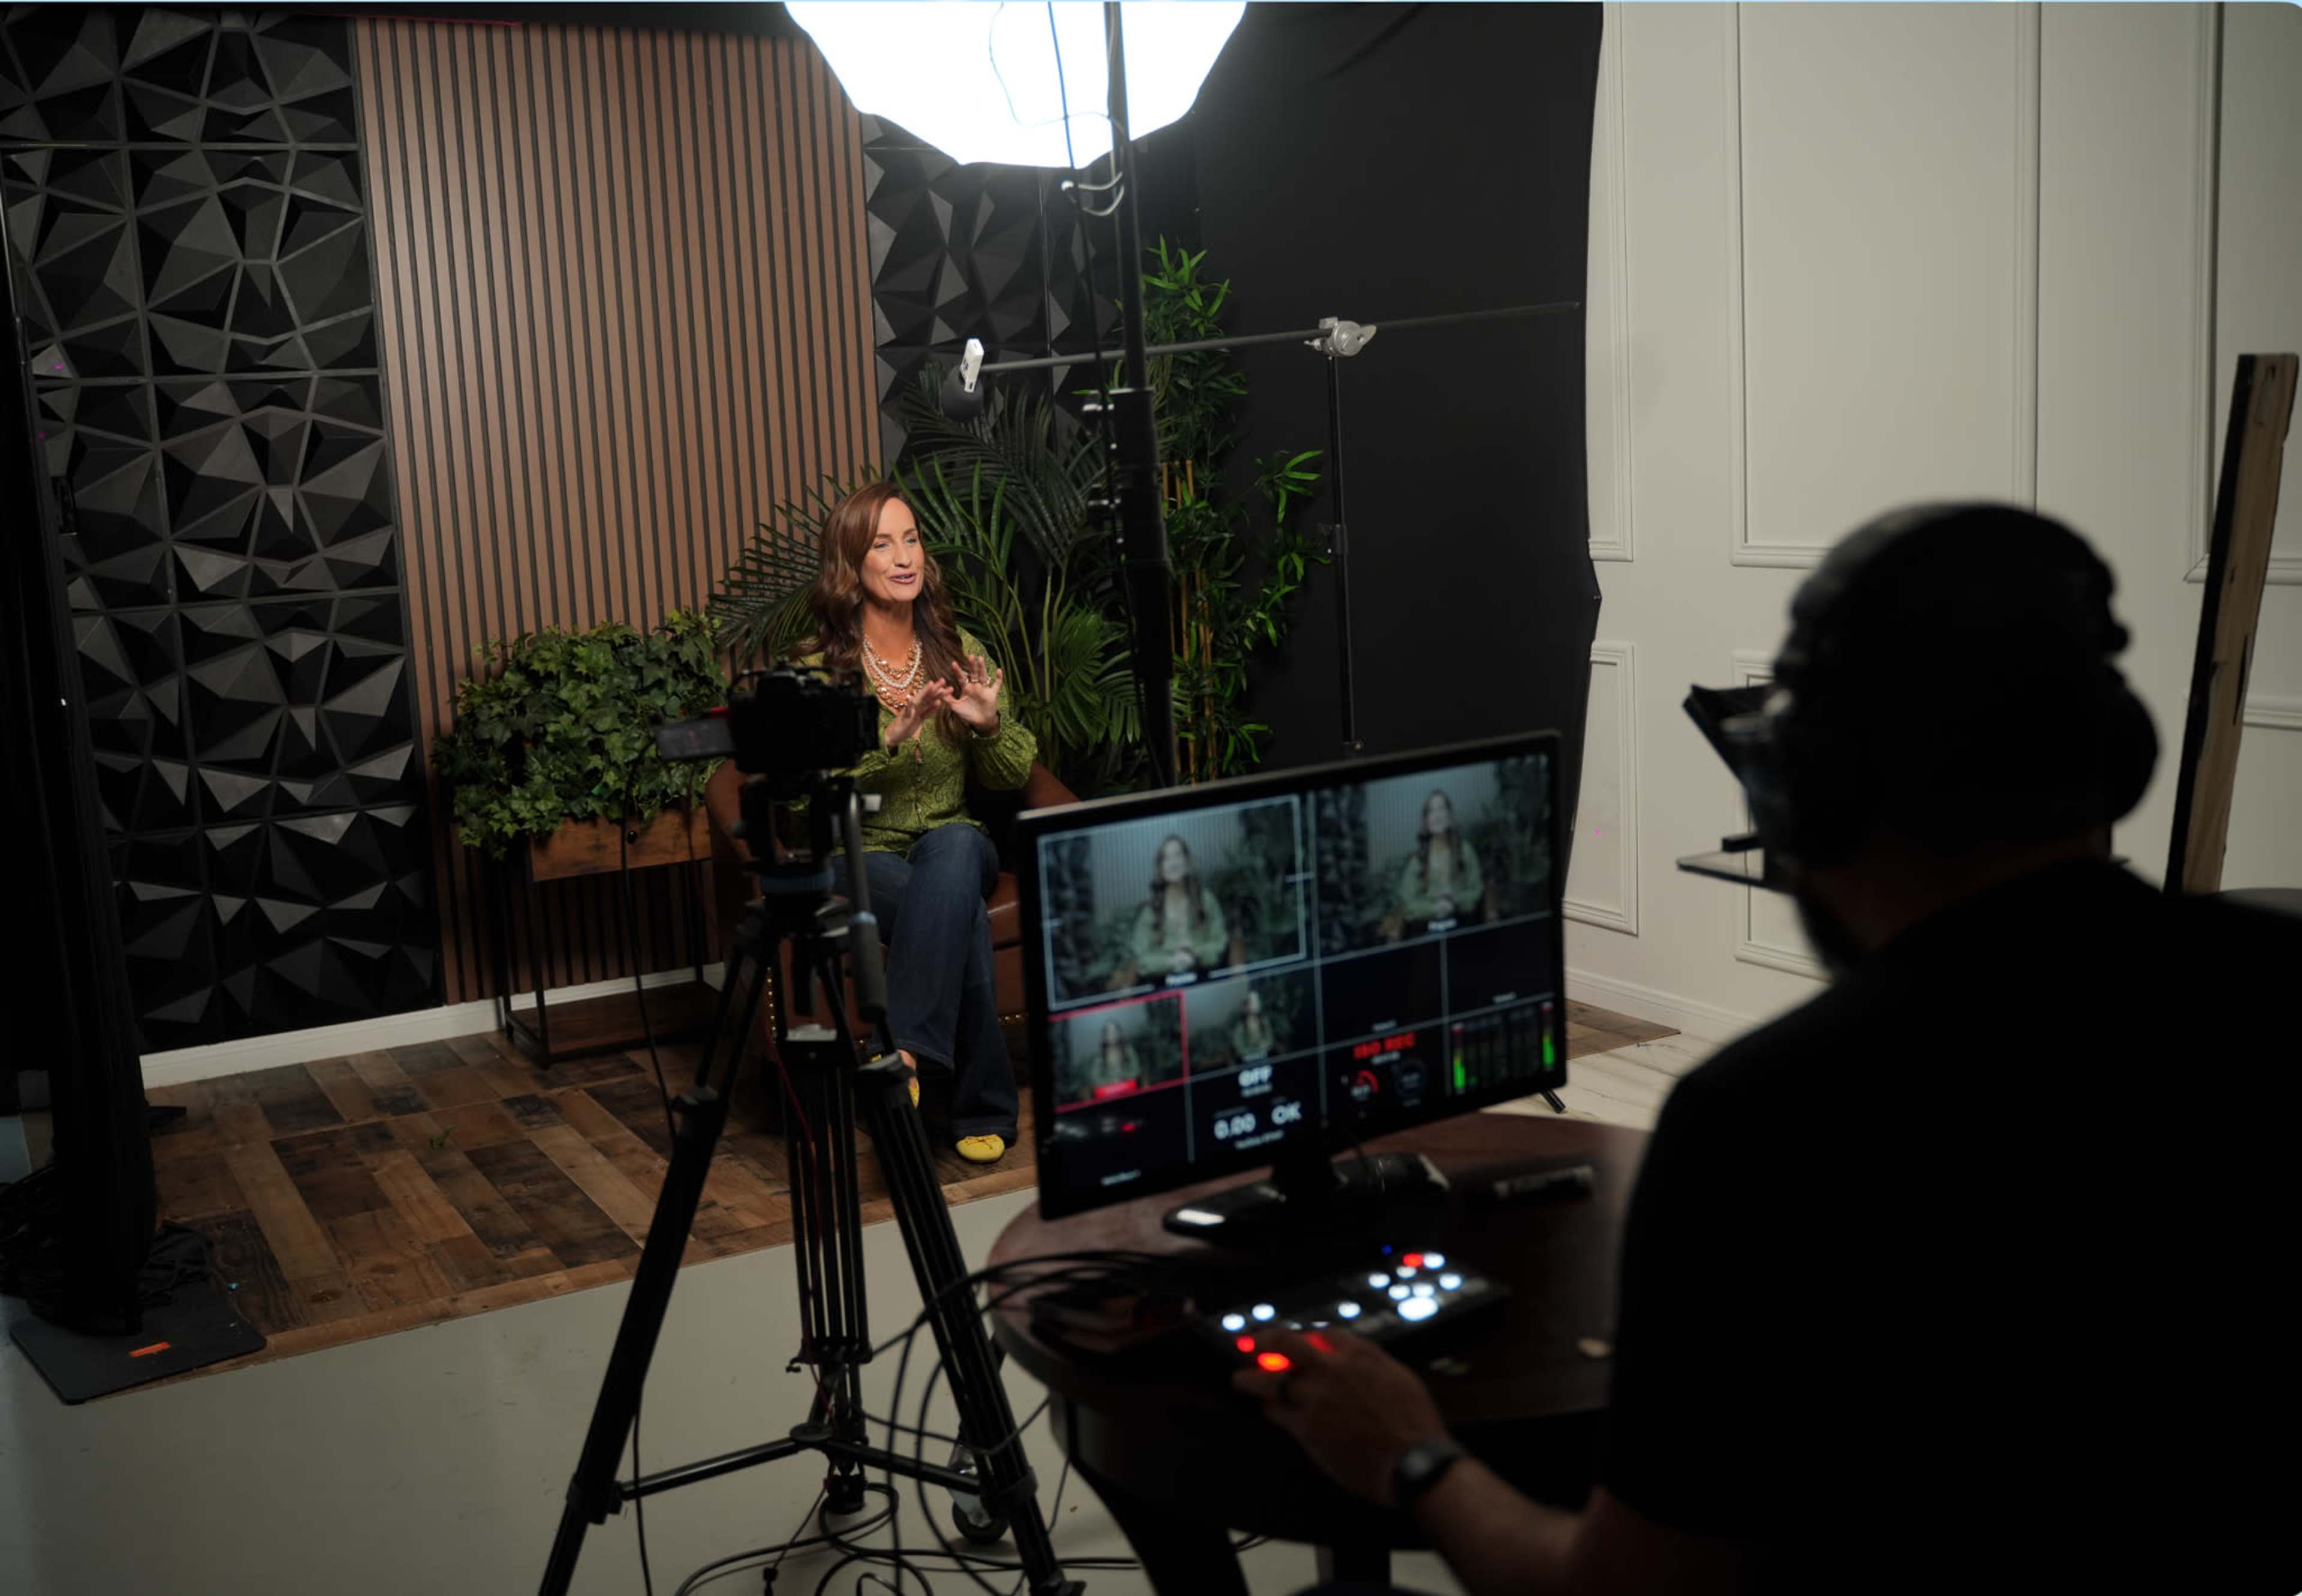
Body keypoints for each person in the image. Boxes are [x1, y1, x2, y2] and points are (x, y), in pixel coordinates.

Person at [1230, 503, 2301, 1595]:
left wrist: (1413, 1455)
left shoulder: (1766, 1120)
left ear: (1807, 790)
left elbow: (1621, 1590)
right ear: (2110, 758)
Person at [791, 481, 1032, 1165]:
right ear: (850, 564)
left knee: (955, 849)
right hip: (859, 853)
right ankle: (982, 1106)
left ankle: (895, 1054)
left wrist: (988, 726)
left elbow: (1011, 775)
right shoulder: (822, 671)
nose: (904, 556)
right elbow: (802, 802)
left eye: (912, 537)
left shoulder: (962, 652)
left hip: (953, 842)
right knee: (965, 916)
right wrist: (884, 742)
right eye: (882, 543)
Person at [1117, 834, 1230, 985]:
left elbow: (1220, 943)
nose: (1173, 863)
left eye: (1178, 855)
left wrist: (1195, 954)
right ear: (1160, 868)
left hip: (1205, 981)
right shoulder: (1149, 912)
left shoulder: (1206, 900)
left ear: (1187, 862)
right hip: (1163, 988)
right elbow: (1142, 959)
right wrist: (1170, 962)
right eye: (1167, 858)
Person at [1387, 788, 1484, 936]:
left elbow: (1476, 890)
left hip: (1463, 925)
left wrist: (1456, 899)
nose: (1437, 816)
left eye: (1441, 809)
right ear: (1426, 820)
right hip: (1425, 930)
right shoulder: (1417, 860)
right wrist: (1434, 908)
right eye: (1432, 811)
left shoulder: (1466, 851)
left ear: (1450, 815)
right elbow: (1408, 903)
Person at [1090, 1018, 1142, 1096]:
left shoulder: (1128, 1049)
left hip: (1129, 1088)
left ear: (1119, 1033)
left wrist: (1123, 1076)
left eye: (1115, 1031)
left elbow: (1136, 1070)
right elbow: (1095, 1077)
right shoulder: (1100, 1055)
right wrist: (1110, 1082)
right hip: (1108, 1092)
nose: (1112, 1034)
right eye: (1109, 1032)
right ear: (1105, 1036)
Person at [1228, 985, 1276, 1061]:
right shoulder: (1239, 1024)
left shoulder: (1264, 1020)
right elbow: (1239, 1047)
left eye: (1256, 1002)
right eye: (1251, 1003)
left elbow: (1270, 1040)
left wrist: (1264, 1045)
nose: (1254, 1005)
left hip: (1264, 1056)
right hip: (1248, 1058)